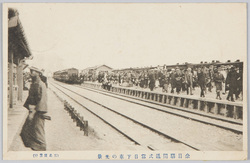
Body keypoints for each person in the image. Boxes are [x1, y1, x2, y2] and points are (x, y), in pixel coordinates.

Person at [20, 69, 50, 151]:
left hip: (37, 111)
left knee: (37, 133)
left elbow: (35, 99)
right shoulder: (39, 83)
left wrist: (32, 113)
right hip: (39, 110)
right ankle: (38, 149)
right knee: (32, 132)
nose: (30, 73)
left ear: (38, 73)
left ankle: (41, 151)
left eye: (33, 71)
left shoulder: (36, 84)